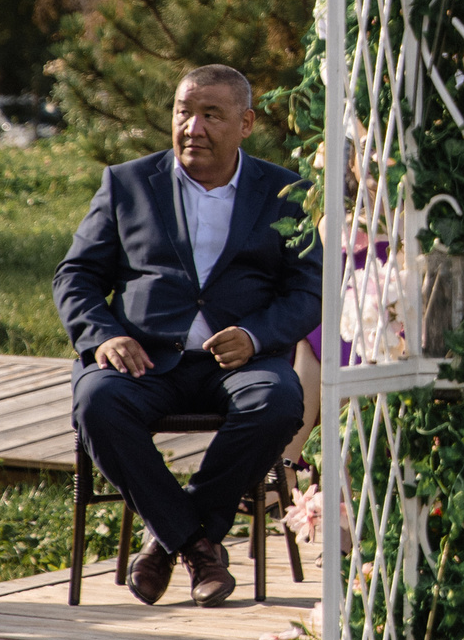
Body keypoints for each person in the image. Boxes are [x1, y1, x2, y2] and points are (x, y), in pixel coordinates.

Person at [54, 65, 318, 607]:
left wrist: (254, 333)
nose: (192, 127)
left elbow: (310, 291)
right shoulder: (127, 184)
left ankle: (165, 542)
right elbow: (75, 276)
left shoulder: (287, 192)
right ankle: (198, 547)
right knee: (98, 401)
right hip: (144, 359)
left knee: (278, 401)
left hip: (242, 363)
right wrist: (102, 335)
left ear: (245, 123)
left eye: (211, 115)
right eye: (183, 112)